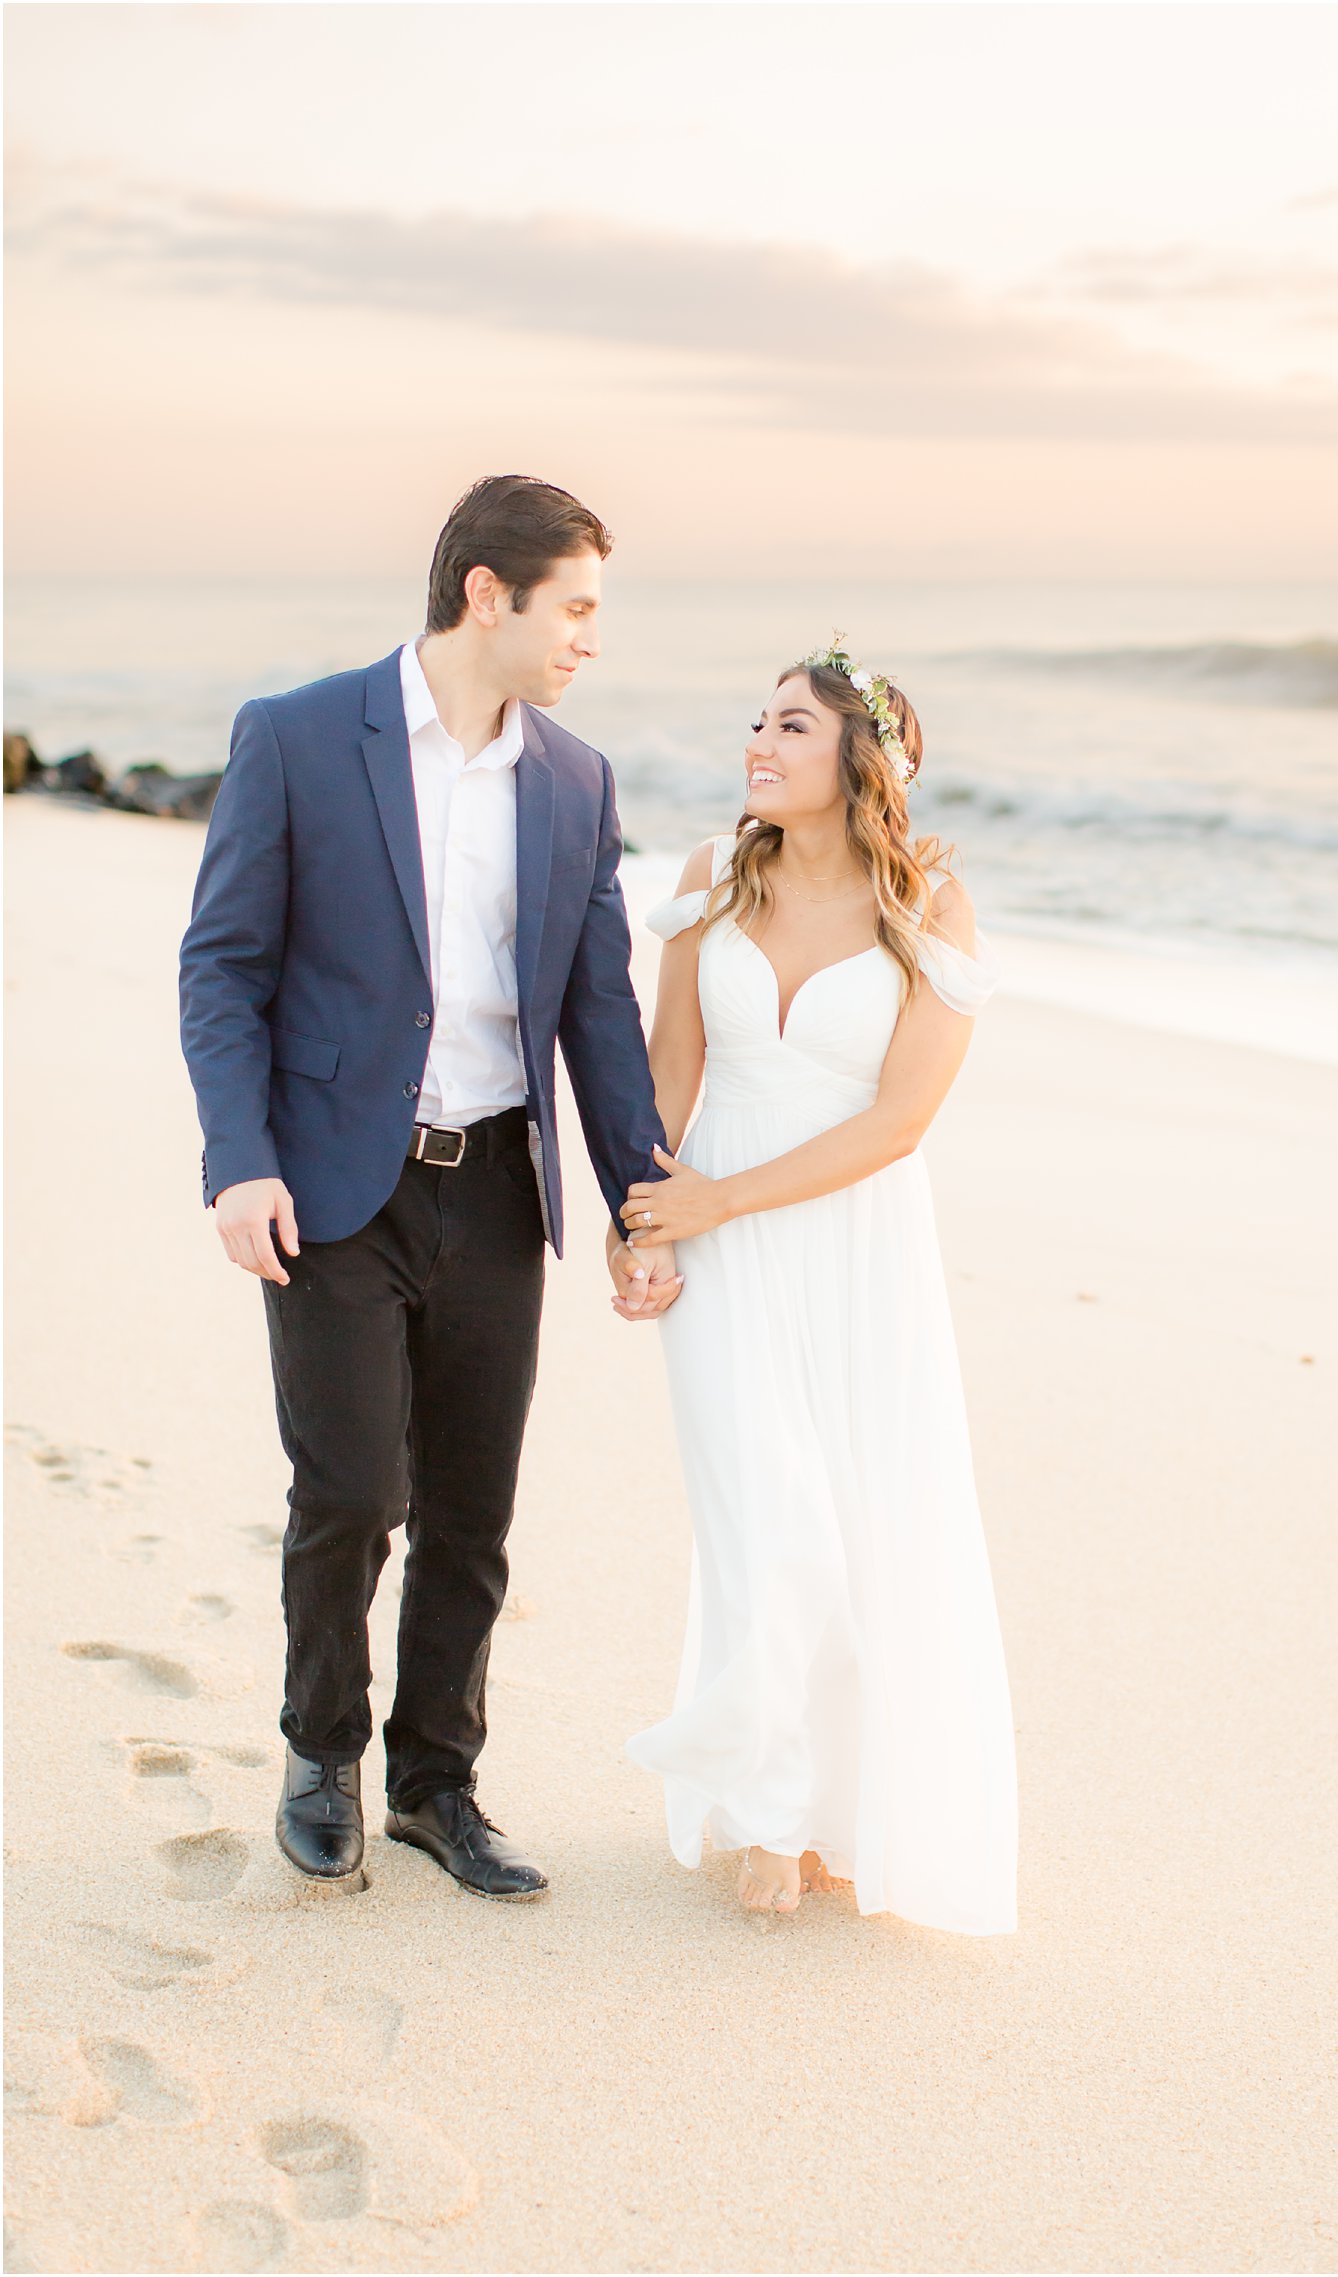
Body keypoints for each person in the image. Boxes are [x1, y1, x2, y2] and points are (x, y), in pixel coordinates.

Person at [179, 475, 680, 1899]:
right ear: (486, 592)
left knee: (471, 1509)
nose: (589, 637)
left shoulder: (576, 781)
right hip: (334, 1183)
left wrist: (643, 1202)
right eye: (574, 607)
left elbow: (598, 1011)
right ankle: (320, 1755)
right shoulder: (296, 737)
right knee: (349, 1491)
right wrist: (240, 1160)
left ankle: (436, 1786)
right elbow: (222, 967)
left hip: (494, 1192)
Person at [617, 639, 1018, 1933]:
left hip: (857, 1242)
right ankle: (772, 1814)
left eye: (791, 726)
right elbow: (669, 1066)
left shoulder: (931, 908)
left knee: (861, 1523)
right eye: (757, 721)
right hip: (715, 1237)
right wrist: (651, 1224)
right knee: (767, 1519)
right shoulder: (706, 884)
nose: (760, 743)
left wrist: (719, 1201)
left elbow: (902, 1119)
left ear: (864, 760)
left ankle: (842, 1806)